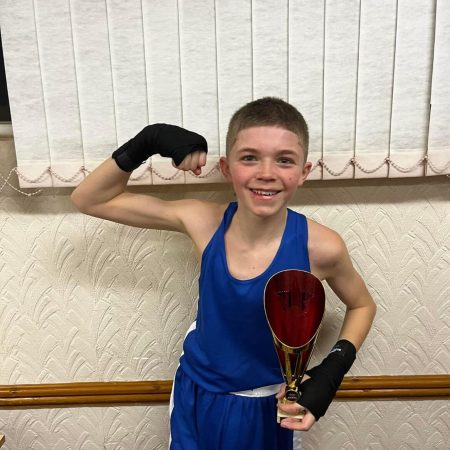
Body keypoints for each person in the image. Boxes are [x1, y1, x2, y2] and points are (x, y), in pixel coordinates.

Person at [71, 97, 376, 450]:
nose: (266, 172)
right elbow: (89, 199)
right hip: (196, 395)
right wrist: (149, 140)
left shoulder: (321, 247)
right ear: (227, 167)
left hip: (268, 406)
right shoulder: (204, 221)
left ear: (303, 172)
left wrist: (331, 372)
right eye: (249, 157)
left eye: (284, 160)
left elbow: (362, 306)